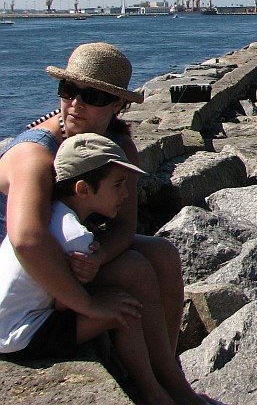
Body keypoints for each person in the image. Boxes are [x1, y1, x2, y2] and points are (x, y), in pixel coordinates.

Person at [0, 43, 187, 366]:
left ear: (117, 104)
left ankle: (168, 371)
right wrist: (88, 304)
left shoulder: (118, 148)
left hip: (64, 253)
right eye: (68, 90)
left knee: (163, 254)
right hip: (15, 279)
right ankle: (155, 389)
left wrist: (99, 256)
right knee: (133, 269)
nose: (75, 104)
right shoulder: (36, 154)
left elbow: (124, 226)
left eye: (93, 96)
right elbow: (27, 240)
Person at [0, 133, 210, 405]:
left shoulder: (52, 214)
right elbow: (62, 303)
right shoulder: (75, 237)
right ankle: (153, 392)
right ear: (83, 189)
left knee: (120, 300)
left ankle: (153, 387)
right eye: (118, 185)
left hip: (10, 322)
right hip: (22, 335)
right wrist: (93, 304)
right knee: (123, 311)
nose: (125, 194)